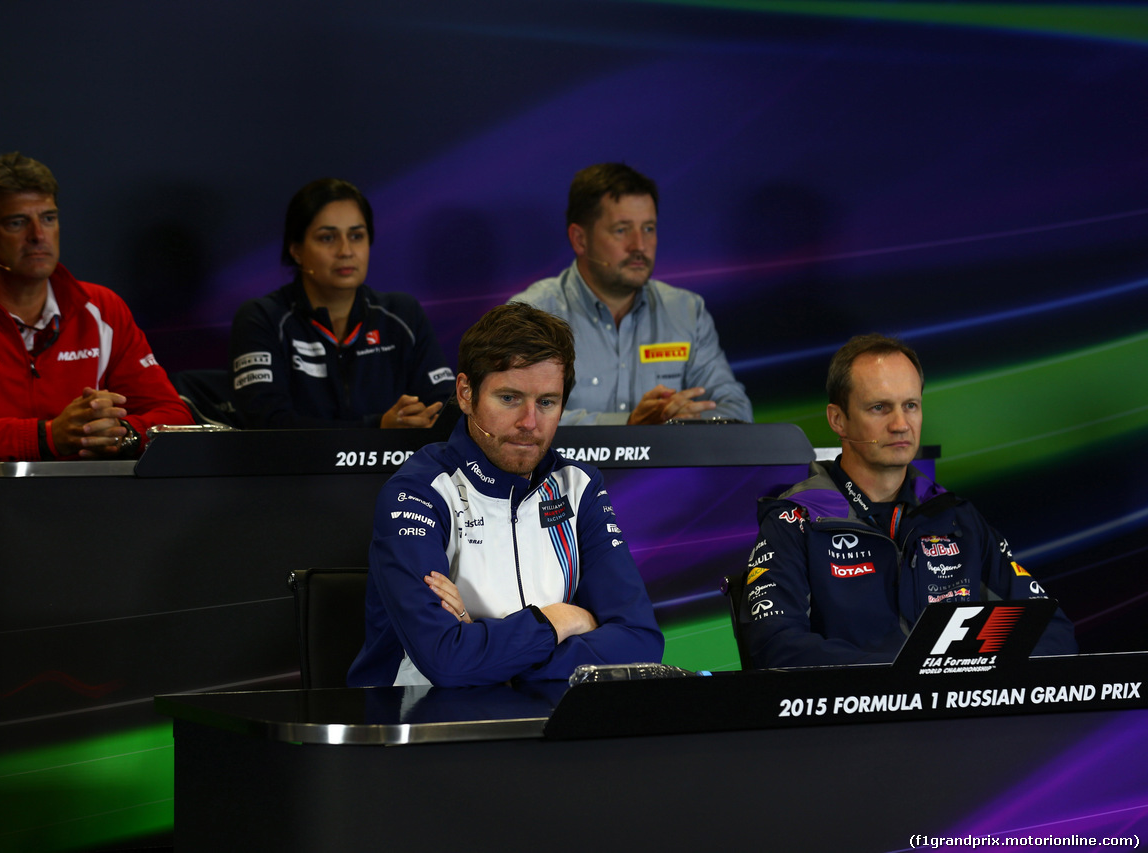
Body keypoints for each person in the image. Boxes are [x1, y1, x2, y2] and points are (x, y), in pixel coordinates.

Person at [347, 302, 664, 687]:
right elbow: (445, 661)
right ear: (466, 393)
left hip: (547, 724)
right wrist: (562, 619)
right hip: (417, 726)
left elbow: (641, 641)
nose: (530, 423)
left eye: (547, 402)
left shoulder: (579, 487)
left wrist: (486, 651)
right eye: (510, 398)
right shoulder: (417, 494)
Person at [737, 334, 1078, 668]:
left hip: (955, 717)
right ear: (838, 419)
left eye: (910, 406)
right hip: (853, 720)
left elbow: (1053, 630)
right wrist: (904, 677)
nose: (900, 425)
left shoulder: (954, 517)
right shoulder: (797, 521)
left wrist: (967, 677)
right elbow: (774, 645)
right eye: (879, 407)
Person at [0, 152, 192, 463]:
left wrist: (122, 434)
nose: (38, 236)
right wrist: (44, 437)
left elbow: (177, 418)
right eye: (17, 222)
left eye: (48, 218)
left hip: (92, 501)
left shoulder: (102, 307)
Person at [511, 162, 752, 426]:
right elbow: (517, 416)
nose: (639, 245)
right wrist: (630, 427)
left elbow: (736, 410)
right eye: (622, 230)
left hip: (668, 470)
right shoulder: (531, 314)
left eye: (648, 228)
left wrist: (678, 421)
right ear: (580, 239)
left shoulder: (686, 311)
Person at [229, 178, 454, 429]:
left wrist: (420, 419)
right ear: (296, 250)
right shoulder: (263, 318)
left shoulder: (402, 314)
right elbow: (266, 426)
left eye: (357, 236)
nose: (346, 250)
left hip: (401, 469)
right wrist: (378, 428)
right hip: (298, 468)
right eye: (327, 238)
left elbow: (446, 408)